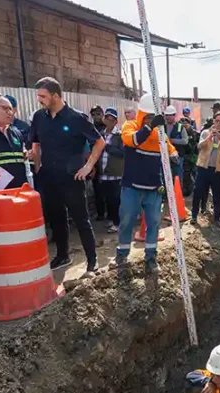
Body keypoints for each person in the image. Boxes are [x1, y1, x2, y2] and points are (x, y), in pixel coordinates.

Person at [29, 77, 105, 273]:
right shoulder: (39, 117)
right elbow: (35, 143)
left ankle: (92, 259)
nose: (39, 99)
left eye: (43, 96)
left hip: (72, 177)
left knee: (81, 219)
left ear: (55, 96)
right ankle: (62, 256)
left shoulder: (76, 118)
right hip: (49, 177)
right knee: (57, 218)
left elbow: (99, 141)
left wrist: (88, 166)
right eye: (38, 96)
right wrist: (37, 166)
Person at [112, 93, 178, 274]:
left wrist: (173, 154)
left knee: (154, 223)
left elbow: (168, 146)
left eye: (153, 117)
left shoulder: (160, 133)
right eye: (148, 117)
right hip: (131, 187)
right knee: (126, 221)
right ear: (142, 114)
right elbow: (133, 141)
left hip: (153, 188)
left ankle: (150, 257)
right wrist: (149, 127)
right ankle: (123, 254)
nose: (151, 120)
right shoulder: (130, 126)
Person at [192, 112, 220, 225]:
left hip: (218, 170)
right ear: (213, 121)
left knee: (218, 195)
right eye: (216, 121)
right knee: (198, 192)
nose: (218, 124)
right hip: (204, 168)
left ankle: (217, 217)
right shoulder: (205, 133)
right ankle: (194, 215)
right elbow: (199, 146)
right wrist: (210, 137)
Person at [98, 107, 124, 234]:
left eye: (111, 119)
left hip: (115, 174)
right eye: (106, 118)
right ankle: (112, 219)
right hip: (103, 174)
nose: (108, 121)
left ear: (115, 122)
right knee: (108, 199)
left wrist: (106, 147)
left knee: (115, 199)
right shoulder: (101, 135)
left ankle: (117, 222)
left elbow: (122, 152)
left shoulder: (119, 136)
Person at [164, 105, 188, 183]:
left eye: (169, 115)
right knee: (165, 178)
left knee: (177, 177)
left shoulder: (180, 127)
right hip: (165, 156)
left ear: (174, 115)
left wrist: (172, 141)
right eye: (166, 115)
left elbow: (185, 141)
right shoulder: (162, 127)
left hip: (177, 157)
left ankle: (177, 193)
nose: (167, 117)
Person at [181, 117, 199, 197]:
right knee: (186, 174)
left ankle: (196, 190)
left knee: (195, 173)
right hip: (185, 156)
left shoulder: (194, 133)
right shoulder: (180, 132)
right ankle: (187, 190)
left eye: (186, 123)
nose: (184, 125)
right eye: (183, 123)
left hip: (194, 156)